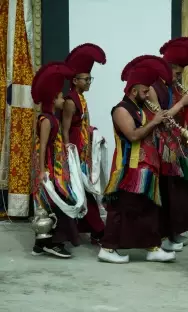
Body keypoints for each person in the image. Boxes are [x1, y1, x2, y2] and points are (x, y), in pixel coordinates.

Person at [97, 59, 175, 264]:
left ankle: (152, 247)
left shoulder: (140, 109)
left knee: (147, 209)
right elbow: (132, 135)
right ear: (133, 90)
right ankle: (107, 248)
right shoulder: (121, 109)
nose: (149, 93)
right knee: (121, 209)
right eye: (145, 89)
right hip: (127, 169)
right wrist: (155, 121)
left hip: (145, 168)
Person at [155, 37, 188, 251]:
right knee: (168, 192)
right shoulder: (153, 87)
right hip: (163, 146)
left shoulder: (174, 87)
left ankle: (176, 232)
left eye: (180, 74)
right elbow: (162, 117)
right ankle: (165, 235)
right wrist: (183, 102)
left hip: (178, 146)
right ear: (167, 68)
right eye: (176, 73)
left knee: (181, 193)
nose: (178, 78)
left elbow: (182, 112)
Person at [31, 62, 80, 258]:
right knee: (53, 202)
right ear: (53, 99)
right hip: (49, 168)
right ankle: (53, 242)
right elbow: (42, 146)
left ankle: (40, 245)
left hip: (55, 166)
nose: (63, 100)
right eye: (60, 97)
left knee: (50, 203)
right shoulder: (45, 120)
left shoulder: (53, 118)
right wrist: (43, 170)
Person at [63, 43, 107, 245]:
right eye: (86, 79)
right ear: (75, 80)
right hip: (73, 152)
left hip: (83, 151)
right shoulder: (71, 101)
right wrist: (67, 154)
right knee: (84, 190)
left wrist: (92, 133)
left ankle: (89, 229)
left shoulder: (81, 98)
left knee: (85, 189)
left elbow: (81, 124)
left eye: (90, 78)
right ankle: (98, 230)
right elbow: (65, 129)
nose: (89, 82)